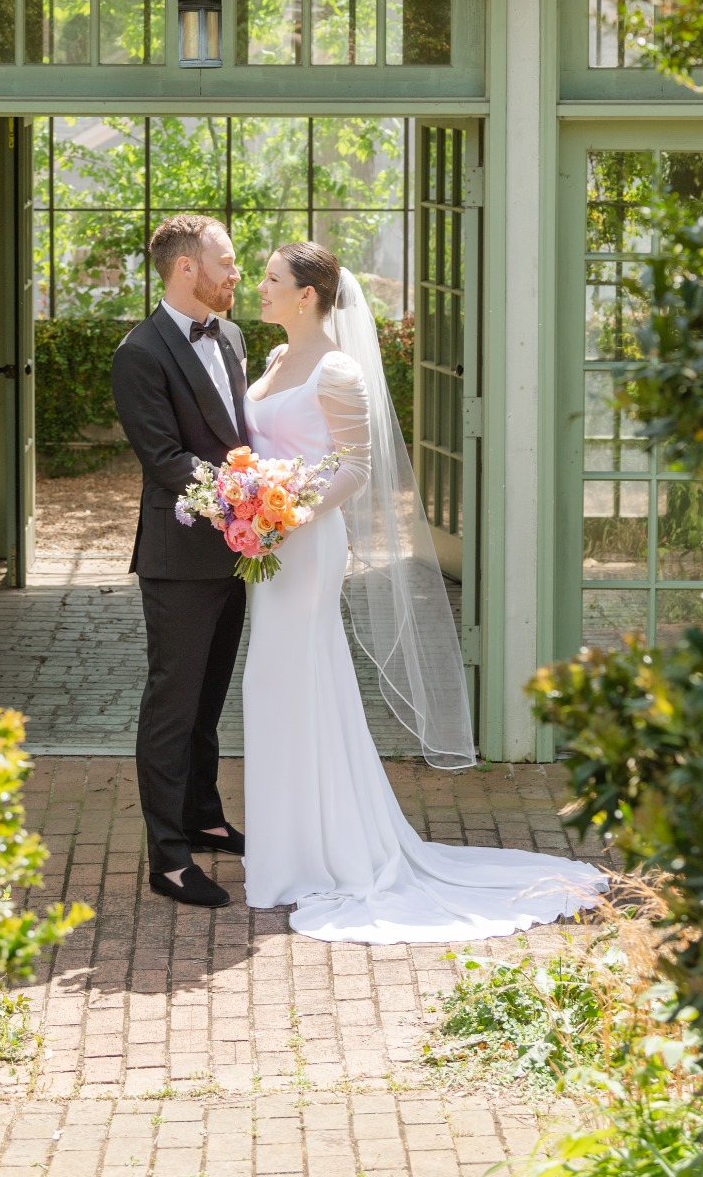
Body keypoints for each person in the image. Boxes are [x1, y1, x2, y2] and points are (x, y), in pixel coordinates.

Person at [241, 242, 608, 943]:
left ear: (310, 295)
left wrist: (288, 511)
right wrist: (248, 504)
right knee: (272, 686)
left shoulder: (338, 369)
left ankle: (329, 852)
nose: (260, 288)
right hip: (269, 544)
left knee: (299, 679)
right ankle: (288, 852)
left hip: (307, 544)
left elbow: (354, 468)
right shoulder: (274, 362)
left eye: (272, 280)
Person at [111, 215, 249, 909]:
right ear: (186, 268)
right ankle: (167, 858)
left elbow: (238, 436)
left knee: (208, 700)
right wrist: (248, 495)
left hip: (235, 551)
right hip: (179, 557)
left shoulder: (232, 336)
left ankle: (203, 817)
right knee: (172, 704)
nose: (236, 273)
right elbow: (166, 462)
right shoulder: (139, 352)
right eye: (226, 261)